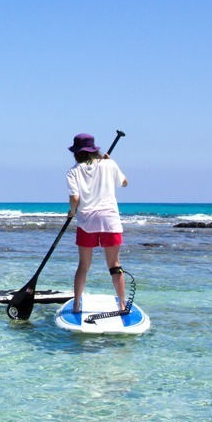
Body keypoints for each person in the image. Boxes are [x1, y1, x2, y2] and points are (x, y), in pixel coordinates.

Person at [65, 133, 129, 312]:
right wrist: (111, 163)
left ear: (77, 153)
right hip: (110, 220)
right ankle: (122, 304)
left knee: (83, 266)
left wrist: (72, 212)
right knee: (114, 265)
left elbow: (75, 198)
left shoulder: (73, 171)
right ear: (94, 150)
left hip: (87, 222)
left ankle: (77, 305)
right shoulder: (109, 163)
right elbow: (124, 183)